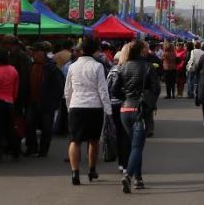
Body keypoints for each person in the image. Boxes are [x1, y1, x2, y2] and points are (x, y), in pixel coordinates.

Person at [110, 40, 158, 193]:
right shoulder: (148, 66)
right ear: (142, 51)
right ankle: (129, 176)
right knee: (137, 147)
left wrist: (126, 97)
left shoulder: (122, 66)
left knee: (134, 146)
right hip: (140, 110)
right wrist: (149, 102)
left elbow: (114, 90)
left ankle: (138, 178)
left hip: (125, 109)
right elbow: (156, 89)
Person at [63, 37, 112, 185]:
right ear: (95, 50)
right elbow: (103, 90)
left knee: (75, 140)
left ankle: (75, 172)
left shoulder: (72, 67)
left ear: (81, 50)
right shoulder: (98, 66)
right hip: (94, 106)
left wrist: (69, 106)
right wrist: (108, 110)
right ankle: (92, 169)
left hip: (76, 105)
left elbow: (67, 90)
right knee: (93, 140)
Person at [24, 42, 64, 157]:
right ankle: (32, 147)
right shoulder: (31, 66)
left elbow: (58, 86)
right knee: (29, 124)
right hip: (32, 101)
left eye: (36, 52)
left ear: (42, 53)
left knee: (46, 127)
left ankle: (43, 149)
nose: (33, 54)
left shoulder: (51, 67)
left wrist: (53, 101)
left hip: (46, 103)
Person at [106, 44, 132, 174]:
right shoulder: (130, 69)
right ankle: (125, 163)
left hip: (113, 105)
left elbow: (107, 87)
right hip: (126, 104)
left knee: (118, 134)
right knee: (127, 135)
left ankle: (121, 163)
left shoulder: (113, 70)